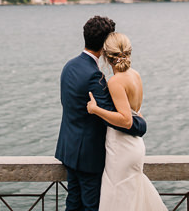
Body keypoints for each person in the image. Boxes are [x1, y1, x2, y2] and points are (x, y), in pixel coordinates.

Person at [55, 16, 147, 211]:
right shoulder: (94, 76)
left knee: (73, 202)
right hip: (89, 155)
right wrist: (140, 124)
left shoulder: (69, 66)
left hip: (68, 148)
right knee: (91, 205)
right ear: (105, 44)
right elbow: (116, 117)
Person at [86, 32, 167, 211]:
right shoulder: (135, 75)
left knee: (117, 198)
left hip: (121, 147)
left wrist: (95, 109)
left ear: (106, 57)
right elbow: (137, 112)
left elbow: (126, 120)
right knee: (131, 198)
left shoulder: (115, 82)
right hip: (135, 145)